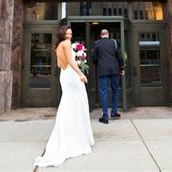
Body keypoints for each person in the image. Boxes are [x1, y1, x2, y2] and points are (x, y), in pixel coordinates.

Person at [34, 25, 94, 167]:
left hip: (64, 75)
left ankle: (68, 133)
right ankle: (75, 138)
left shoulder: (57, 45)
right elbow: (70, 61)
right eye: (67, 33)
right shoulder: (67, 44)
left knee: (68, 103)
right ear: (62, 34)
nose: (69, 36)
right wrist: (80, 74)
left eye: (70, 34)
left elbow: (60, 64)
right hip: (72, 76)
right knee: (76, 104)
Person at [91, 29, 125, 124]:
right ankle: (114, 112)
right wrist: (121, 68)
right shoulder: (113, 42)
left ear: (101, 35)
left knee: (103, 92)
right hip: (115, 70)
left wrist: (99, 64)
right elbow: (119, 56)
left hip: (103, 70)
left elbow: (93, 58)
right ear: (108, 35)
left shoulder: (97, 43)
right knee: (116, 89)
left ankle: (105, 117)